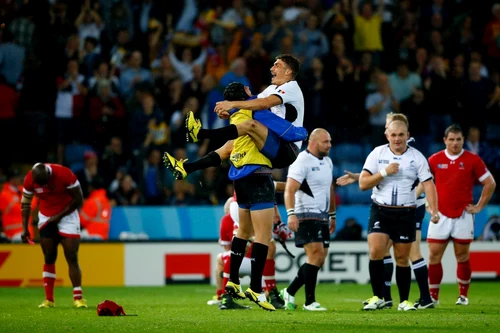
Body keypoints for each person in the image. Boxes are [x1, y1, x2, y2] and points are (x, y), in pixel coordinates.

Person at [336, 112, 435, 309]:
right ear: (386, 135)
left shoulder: (417, 158)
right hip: (380, 209)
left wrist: (435, 209)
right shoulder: (377, 154)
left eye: (401, 135)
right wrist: (384, 172)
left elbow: (429, 184)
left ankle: (405, 300)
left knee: (401, 257)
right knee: (375, 250)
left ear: (408, 135)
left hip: (406, 211)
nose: (397, 138)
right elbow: (364, 184)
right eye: (393, 135)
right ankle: (378, 296)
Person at [163, 54, 305, 179]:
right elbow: (251, 103)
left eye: (277, 65)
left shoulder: (292, 87)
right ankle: (186, 168)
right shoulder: (272, 89)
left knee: (251, 124)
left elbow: (263, 104)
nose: (271, 69)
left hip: (287, 149)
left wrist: (231, 104)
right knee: (231, 145)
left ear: (288, 71)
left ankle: (200, 134)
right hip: (273, 142)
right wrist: (229, 112)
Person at [219, 83, 280, 312]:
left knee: (242, 233)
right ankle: (256, 289)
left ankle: (233, 282)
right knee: (263, 236)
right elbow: (265, 105)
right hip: (258, 173)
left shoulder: (235, 115)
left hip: (239, 179)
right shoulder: (255, 110)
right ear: (246, 92)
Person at [427, 124, 496, 306]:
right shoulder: (434, 160)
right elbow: (424, 183)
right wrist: (428, 204)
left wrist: (479, 206)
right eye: (451, 139)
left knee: (462, 256)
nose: (455, 143)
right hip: (439, 214)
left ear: (463, 140)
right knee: (434, 256)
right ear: (445, 140)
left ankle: (463, 296)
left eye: (458, 139)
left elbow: (490, 183)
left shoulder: (473, 160)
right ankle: (433, 297)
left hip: (463, 214)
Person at [280, 128, 336, 311]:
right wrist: (291, 213)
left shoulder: (328, 161)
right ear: (313, 142)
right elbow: (289, 189)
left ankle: (289, 291)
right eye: (325, 142)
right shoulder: (301, 161)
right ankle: (309, 302)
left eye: (329, 141)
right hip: (305, 213)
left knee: (320, 259)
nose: (329, 145)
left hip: (322, 216)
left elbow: (330, 189)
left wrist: (332, 215)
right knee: (316, 256)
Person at [21, 163, 87, 309]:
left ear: (49, 174)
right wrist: (25, 228)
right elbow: (25, 204)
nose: (44, 186)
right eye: (41, 184)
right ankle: (49, 300)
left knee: (71, 255)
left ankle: (78, 298)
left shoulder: (64, 174)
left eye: (46, 182)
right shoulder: (29, 179)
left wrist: (58, 217)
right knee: (49, 257)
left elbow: (79, 199)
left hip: (67, 215)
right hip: (45, 216)